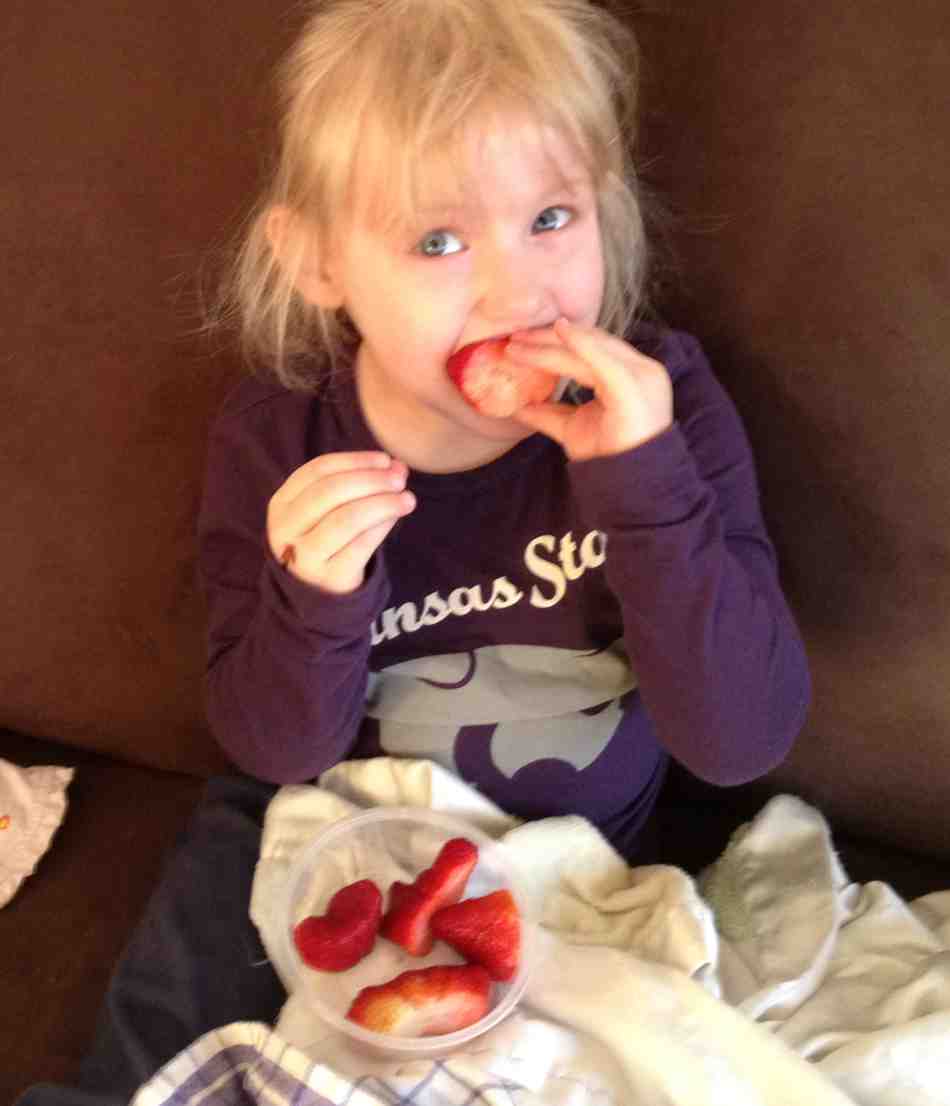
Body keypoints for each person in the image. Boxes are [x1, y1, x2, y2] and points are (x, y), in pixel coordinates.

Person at [16, 1, 809, 1101]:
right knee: (173, 993)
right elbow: (273, 747)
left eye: (550, 216)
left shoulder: (660, 410)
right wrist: (312, 597)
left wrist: (644, 482)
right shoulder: (278, 436)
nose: (514, 289)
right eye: (438, 240)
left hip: (564, 852)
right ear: (317, 261)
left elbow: (738, 741)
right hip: (323, 821)